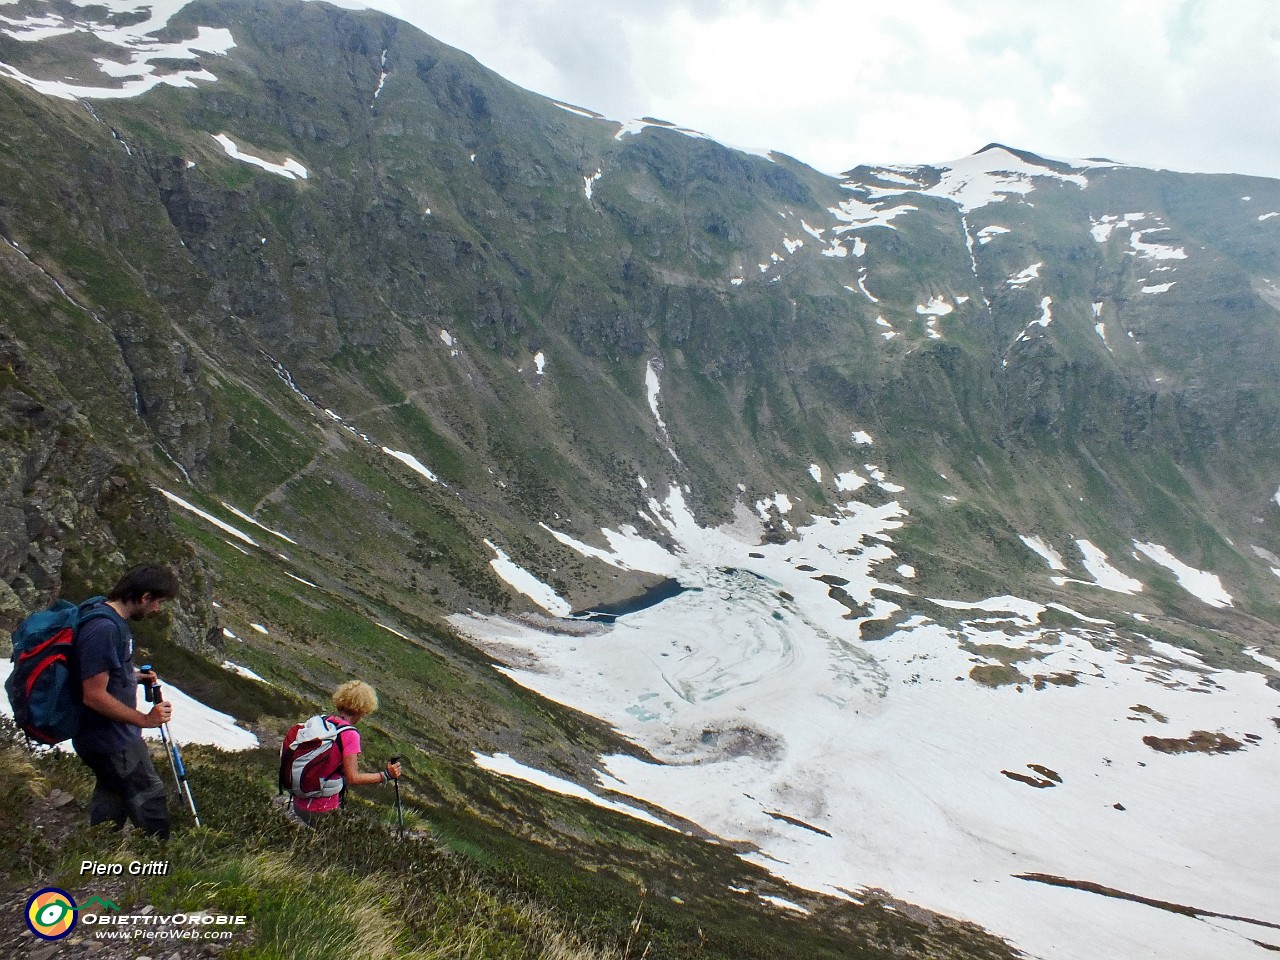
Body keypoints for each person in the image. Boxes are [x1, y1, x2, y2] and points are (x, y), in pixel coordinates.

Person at [72, 564, 180, 839]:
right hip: (111, 739)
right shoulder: (104, 628)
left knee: (113, 791)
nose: (157, 609)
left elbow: (100, 669)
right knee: (149, 793)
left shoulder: (103, 614)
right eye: (158, 602)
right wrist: (146, 720)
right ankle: (163, 858)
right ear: (144, 597)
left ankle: (99, 845)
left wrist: (134, 676)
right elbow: (93, 694)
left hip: (102, 736)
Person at [290, 680, 401, 826]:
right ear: (363, 709)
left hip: (298, 802)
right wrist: (386, 775)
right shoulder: (349, 734)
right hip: (322, 809)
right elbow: (353, 778)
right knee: (341, 843)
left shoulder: (323, 721)